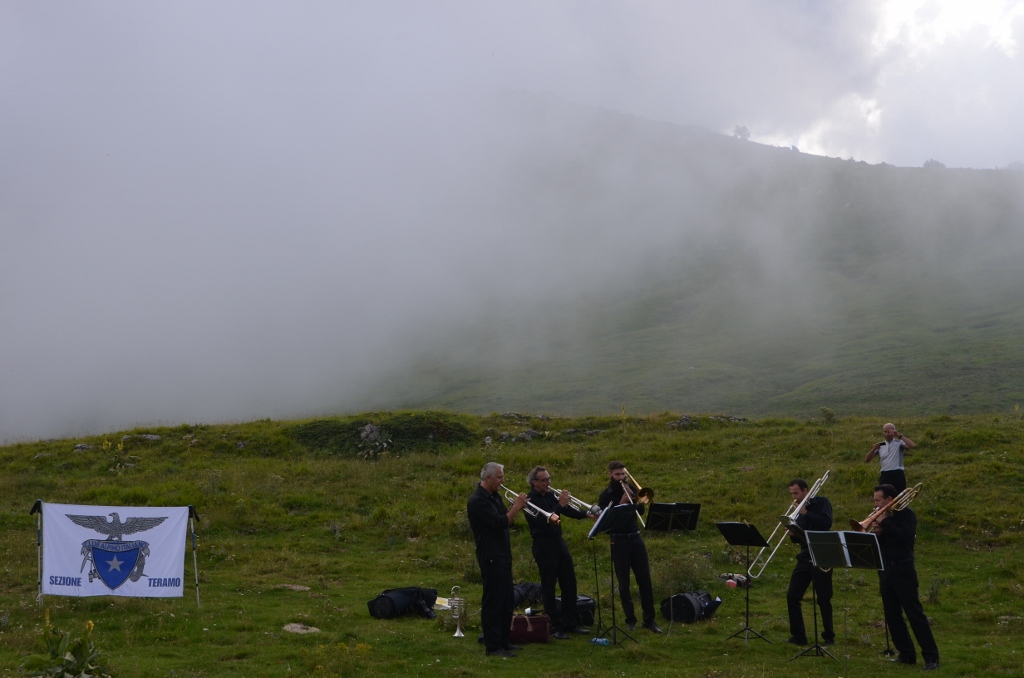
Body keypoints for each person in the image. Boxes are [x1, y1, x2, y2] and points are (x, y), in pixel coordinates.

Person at [870, 484, 940, 670]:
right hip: (886, 569)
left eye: (878, 500)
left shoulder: (907, 515)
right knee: (892, 615)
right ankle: (906, 653)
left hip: (903, 569)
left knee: (914, 613)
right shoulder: (885, 518)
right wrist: (877, 534)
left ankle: (931, 657)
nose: (875, 504)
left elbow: (905, 538)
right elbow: (885, 543)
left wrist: (884, 523)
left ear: (889, 500)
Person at [467, 462, 528, 657]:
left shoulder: (495, 497)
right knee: (493, 601)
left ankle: (504, 640)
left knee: (506, 600)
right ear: (488, 478)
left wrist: (512, 508)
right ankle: (493, 646)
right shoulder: (478, 501)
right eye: (500, 477)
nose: (503, 481)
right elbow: (499, 522)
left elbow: (505, 520)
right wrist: (516, 507)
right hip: (491, 555)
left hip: (503, 554)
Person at [524, 466, 592, 640]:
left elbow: (568, 512)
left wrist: (587, 513)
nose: (549, 482)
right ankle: (554, 626)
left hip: (558, 543)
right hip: (543, 544)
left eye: (549, 479)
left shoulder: (550, 495)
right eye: (544, 480)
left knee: (569, 582)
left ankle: (570, 623)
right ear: (535, 482)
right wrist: (560, 504)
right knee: (549, 585)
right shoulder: (529, 500)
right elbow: (543, 521)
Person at [597, 461, 662, 633]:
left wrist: (634, 500)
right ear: (609, 474)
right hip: (618, 540)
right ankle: (630, 619)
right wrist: (621, 502)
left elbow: (640, 511)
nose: (621, 478)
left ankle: (649, 620)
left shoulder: (632, 488)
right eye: (617, 474)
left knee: (645, 581)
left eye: (623, 474)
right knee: (624, 583)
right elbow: (607, 519)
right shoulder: (606, 495)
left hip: (635, 537)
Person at [784, 478, 835, 646]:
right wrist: (793, 534)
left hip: (822, 554)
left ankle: (829, 636)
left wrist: (806, 513)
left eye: (796, 493)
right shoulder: (798, 511)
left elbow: (825, 524)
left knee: (823, 598)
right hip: (805, 555)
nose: (794, 497)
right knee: (792, 595)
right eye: (792, 493)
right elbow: (802, 537)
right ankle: (799, 636)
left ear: (806, 491)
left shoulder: (822, 502)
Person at [865, 423, 915, 493]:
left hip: (898, 473)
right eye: (885, 432)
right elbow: (867, 460)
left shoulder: (899, 443)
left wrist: (899, 435)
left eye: (889, 432)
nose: (887, 434)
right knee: (885, 496)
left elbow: (912, 445)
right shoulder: (881, 445)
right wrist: (873, 449)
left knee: (900, 495)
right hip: (885, 474)